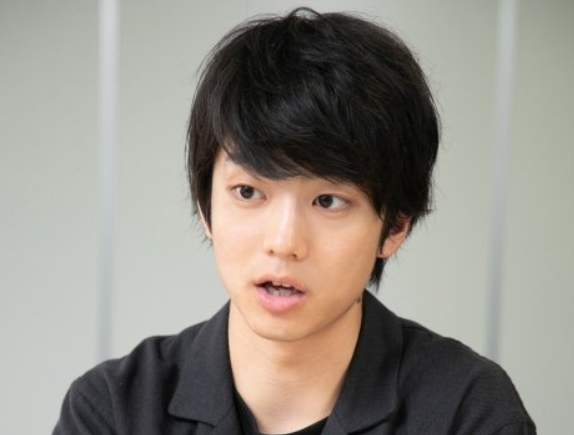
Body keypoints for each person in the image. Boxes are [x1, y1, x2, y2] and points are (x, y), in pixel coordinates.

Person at [53, 8, 536, 435]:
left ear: (394, 226)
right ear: (205, 206)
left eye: (328, 201)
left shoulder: (468, 412)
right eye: (248, 192)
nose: (284, 242)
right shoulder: (114, 411)